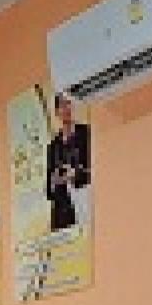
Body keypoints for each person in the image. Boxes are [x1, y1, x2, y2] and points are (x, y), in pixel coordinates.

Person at [47, 92, 93, 233]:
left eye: (69, 103)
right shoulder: (53, 146)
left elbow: (97, 168)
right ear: (57, 112)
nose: (67, 108)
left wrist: (75, 174)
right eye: (62, 105)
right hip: (64, 211)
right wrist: (55, 180)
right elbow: (49, 189)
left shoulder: (86, 133)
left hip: (85, 200)